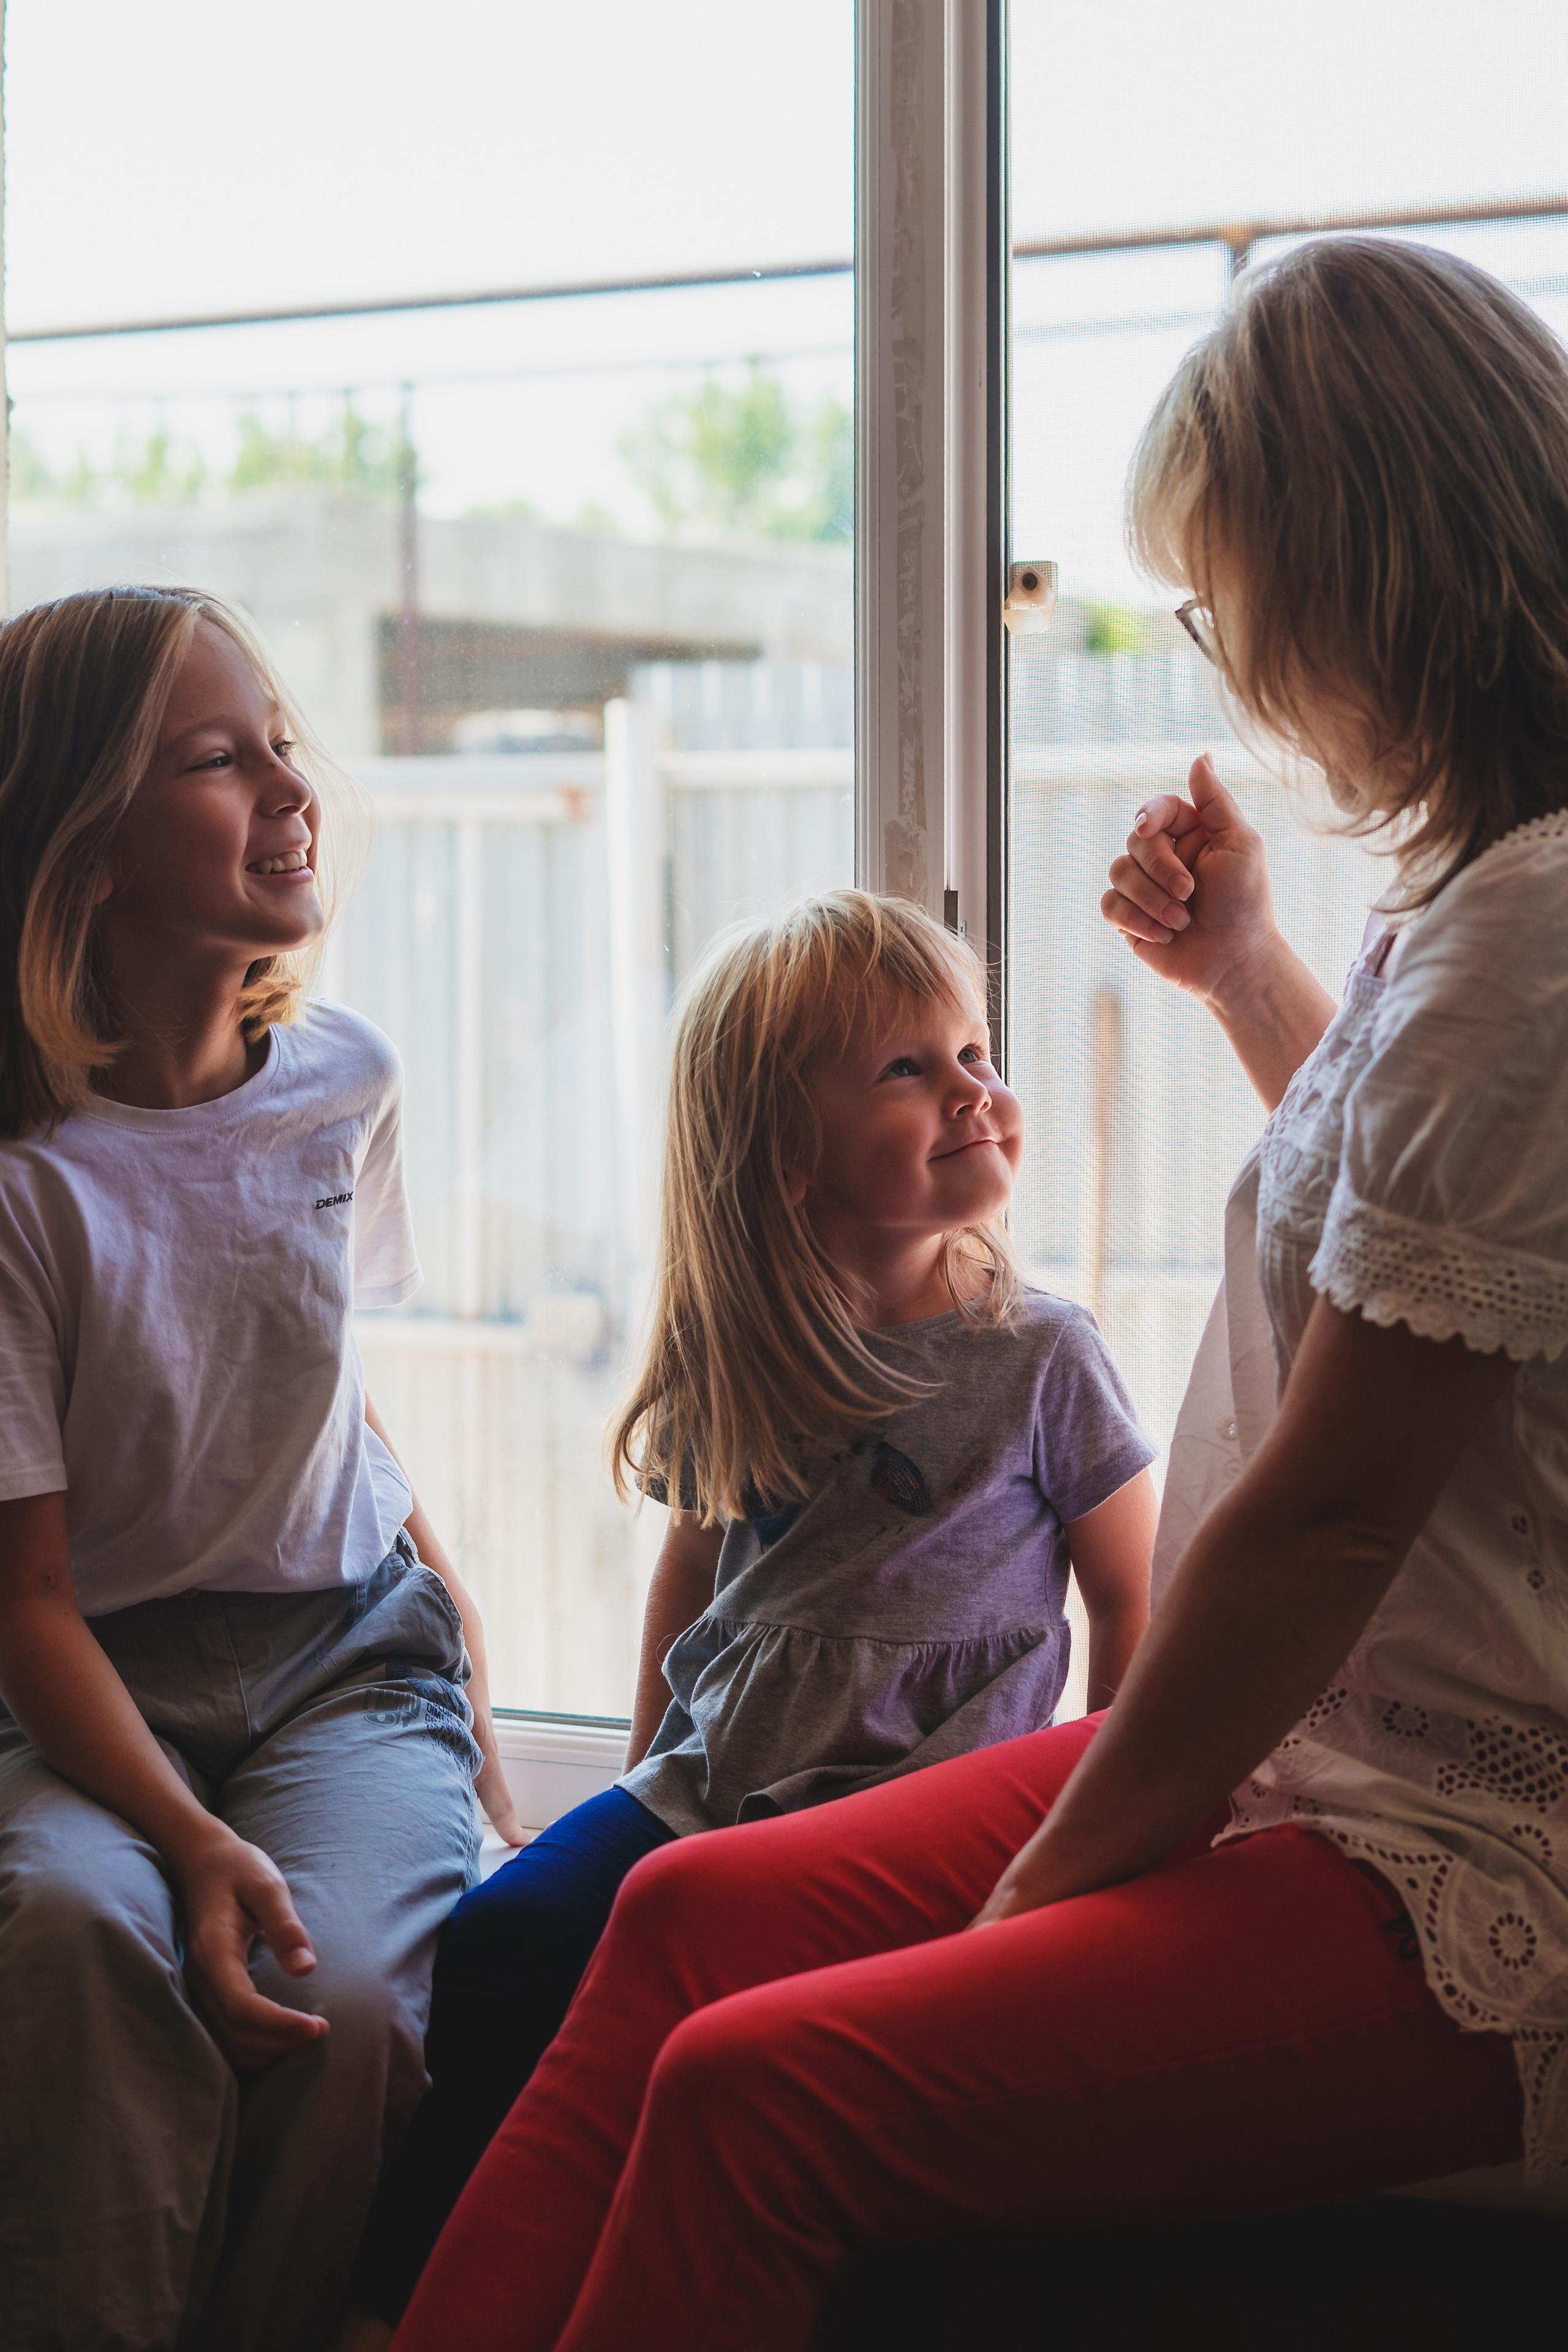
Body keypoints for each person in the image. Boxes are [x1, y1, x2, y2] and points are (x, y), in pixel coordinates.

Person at [386, 235, 1568, 2352]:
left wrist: (1066, 1873)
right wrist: (1244, 975)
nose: (1228, 661)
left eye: (1222, 600)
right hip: (1322, 1750)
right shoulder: (1479, 889)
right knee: (669, 1917)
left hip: (1460, 1842)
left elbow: (1327, 1521)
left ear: (1352, 568)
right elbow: (1423, 1221)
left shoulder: (1533, 930)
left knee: (760, 2095)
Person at [334, 889, 1156, 2345]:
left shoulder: (1040, 1356)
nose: (973, 1089)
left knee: (816, 2066)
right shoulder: (751, 1341)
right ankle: (410, 2303)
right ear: (785, 1155)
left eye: (973, 1050)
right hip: (714, 1787)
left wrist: (1100, 1846)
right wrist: (650, 1773)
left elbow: (1131, 1602)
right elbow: (685, 1580)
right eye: (908, 1069)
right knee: (504, 1946)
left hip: (918, 1811)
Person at [0, 585, 525, 2352]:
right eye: (223, 761)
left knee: (355, 1999)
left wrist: (463, 1663)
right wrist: (189, 1836)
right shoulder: (23, 1177)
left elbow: (335, 1410)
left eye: (285, 743)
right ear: (80, 844)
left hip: (342, 1664)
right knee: (82, 1935)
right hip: (90, 1673)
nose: (293, 789)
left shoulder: (346, 1084)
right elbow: (30, 1596)